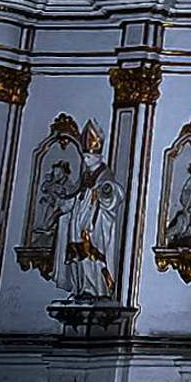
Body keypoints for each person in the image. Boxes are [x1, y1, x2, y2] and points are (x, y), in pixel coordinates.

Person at [52, 120, 124, 301]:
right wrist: (65, 205)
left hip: (94, 223)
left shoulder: (104, 174)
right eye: (84, 157)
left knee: (90, 254)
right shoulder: (85, 175)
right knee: (78, 255)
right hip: (79, 220)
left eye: (89, 157)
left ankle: (95, 289)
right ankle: (81, 287)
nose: (85, 160)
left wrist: (106, 192)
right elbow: (77, 194)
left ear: (98, 157)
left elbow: (115, 194)